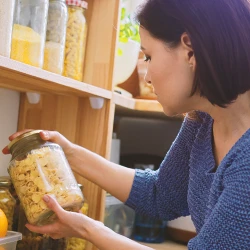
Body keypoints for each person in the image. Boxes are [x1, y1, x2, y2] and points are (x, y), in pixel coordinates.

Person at [3, 0, 250, 249]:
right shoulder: (204, 118)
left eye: (149, 56)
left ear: (190, 50)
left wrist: (88, 229)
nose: (148, 76)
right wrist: (69, 153)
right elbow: (161, 194)